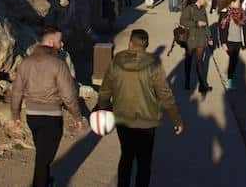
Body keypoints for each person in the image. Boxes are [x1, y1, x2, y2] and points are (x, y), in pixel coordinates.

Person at [97, 29, 183, 187]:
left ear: (130, 43)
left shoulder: (117, 60)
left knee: (126, 156)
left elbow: (105, 89)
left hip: (123, 119)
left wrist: (102, 108)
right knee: (144, 161)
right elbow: (165, 94)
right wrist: (176, 119)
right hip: (147, 121)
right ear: (147, 45)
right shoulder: (154, 64)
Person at [10, 27, 86, 187]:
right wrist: (77, 117)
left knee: (42, 154)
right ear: (51, 42)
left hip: (32, 116)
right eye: (59, 41)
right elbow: (68, 95)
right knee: (43, 159)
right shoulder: (58, 64)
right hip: (52, 117)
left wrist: (16, 115)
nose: (62, 44)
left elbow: (16, 91)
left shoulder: (25, 63)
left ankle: (46, 180)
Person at [180, 0, 212, 93]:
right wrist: (196, 23)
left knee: (199, 62)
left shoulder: (203, 9)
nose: (205, 0)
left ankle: (202, 85)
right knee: (188, 61)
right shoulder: (189, 8)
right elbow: (183, 21)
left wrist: (209, 37)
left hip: (201, 38)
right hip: (191, 38)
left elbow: (207, 24)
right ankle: (187, 81)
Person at [218, 0, 246, 89]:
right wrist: (223, 42)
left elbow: (244, 27)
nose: (239, 3)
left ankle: (230, 77)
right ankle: (230, 81)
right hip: (229, 41)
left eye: (239, 1)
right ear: (232, 3)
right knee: (233, 61)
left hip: (238, 41)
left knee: (234, 61)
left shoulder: (241, 12)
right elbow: (222, 28)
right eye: (237, 2)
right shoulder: (225, 13)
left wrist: (245, 41)